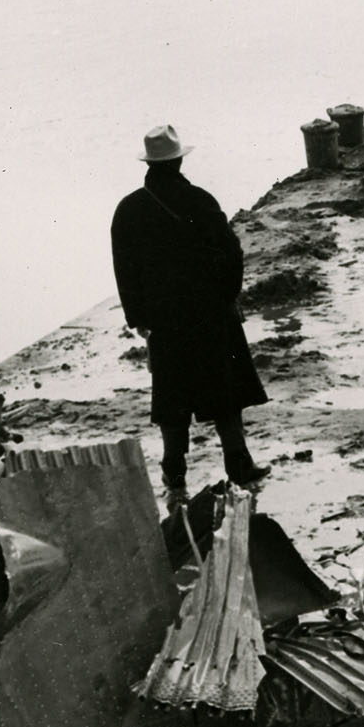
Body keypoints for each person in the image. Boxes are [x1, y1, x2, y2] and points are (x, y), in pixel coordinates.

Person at [110, 125, 267, 509]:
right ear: (179, 160)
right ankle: (240, 467)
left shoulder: (129, 209)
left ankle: (174, 476)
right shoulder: (199, 200)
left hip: (164, 320)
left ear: (148, 163)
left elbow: (124, 270)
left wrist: (139, 318)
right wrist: (226, 298)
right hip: (210, 313)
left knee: (172, 400)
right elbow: (231, 254)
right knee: (225, 392)